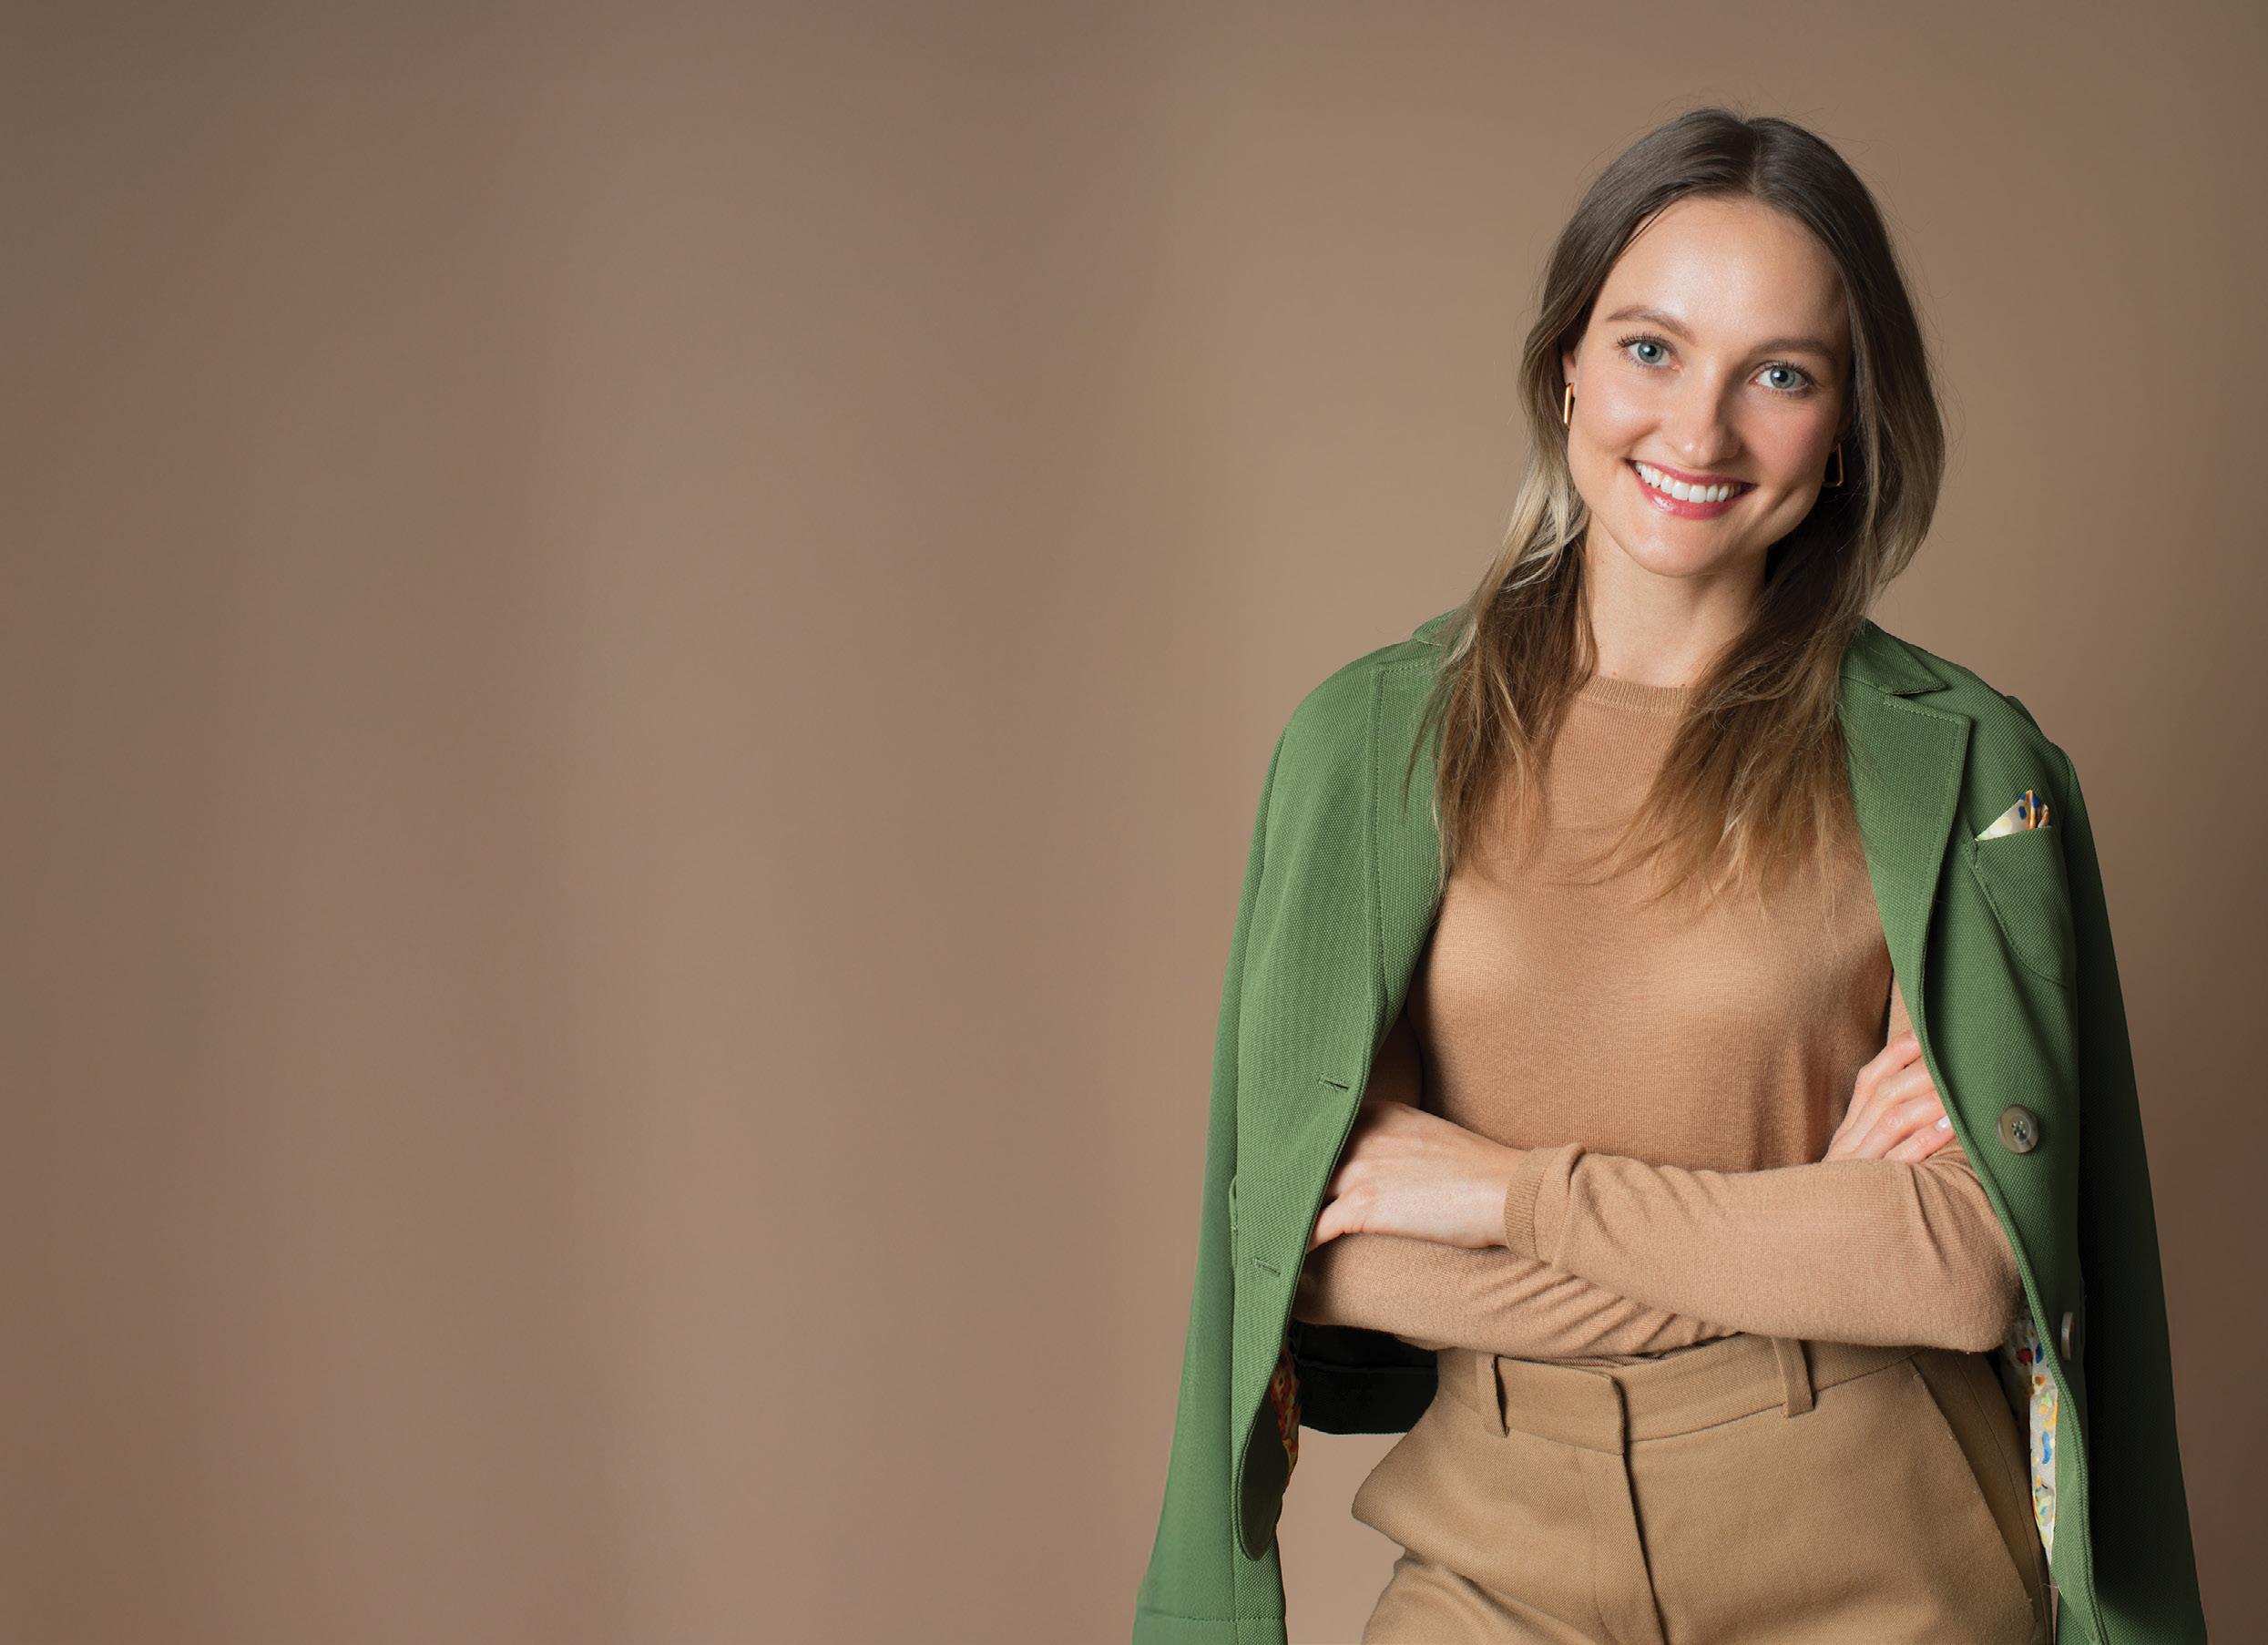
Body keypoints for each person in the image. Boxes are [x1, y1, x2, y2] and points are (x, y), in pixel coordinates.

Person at [1132, 107, 2204, 1645]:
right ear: (1565, 365)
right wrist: (1807, 1228)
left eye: (1780, 375)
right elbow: (1328, 1256)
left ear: (1846, 426)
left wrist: (1497, 1192)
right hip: (1491, 1559)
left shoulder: (1959, 768)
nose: (1698, 433)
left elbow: (1957, 1270)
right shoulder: (1368, 745)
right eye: (1649, 348)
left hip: (1880, 1564)